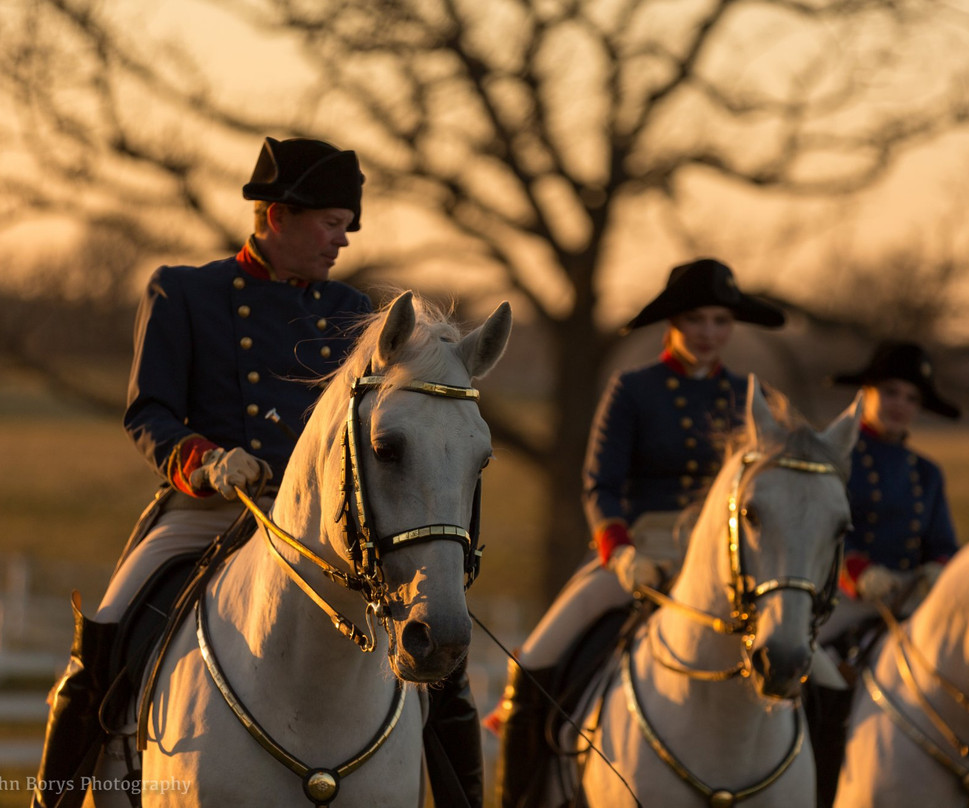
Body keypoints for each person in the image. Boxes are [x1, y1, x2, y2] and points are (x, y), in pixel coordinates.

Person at [33, 137, 483, 808]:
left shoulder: (353, 314)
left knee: (444, 670)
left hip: (322, 520)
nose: (342, 241)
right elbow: (149, 410)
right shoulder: (185, 292)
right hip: (207, 509)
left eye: (347, 227)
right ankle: (58, 796)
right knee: (105, 634)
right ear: (277, 216)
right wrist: (207, 461)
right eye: (332, 223)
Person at [491, 258, 786, 808]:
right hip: (641, 553)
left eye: (721, 321)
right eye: (697, 318)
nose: (709, 332)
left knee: (819, 675)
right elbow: (600, 484)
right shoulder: (634, 389)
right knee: (532, 663)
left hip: (731, 559)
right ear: (673, 321)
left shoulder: (755, 398)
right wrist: (619, 551)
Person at [808, 339, 962, 808]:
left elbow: (943, 544)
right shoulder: (834, 457)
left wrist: (938, 572)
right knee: (812, 674)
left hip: (909, 601)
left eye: (912, 398)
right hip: (841, 598)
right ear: (867, 394)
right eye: (891, 392)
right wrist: (860, 574)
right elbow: (818, 532)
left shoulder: (926, 473)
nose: (900, 405)